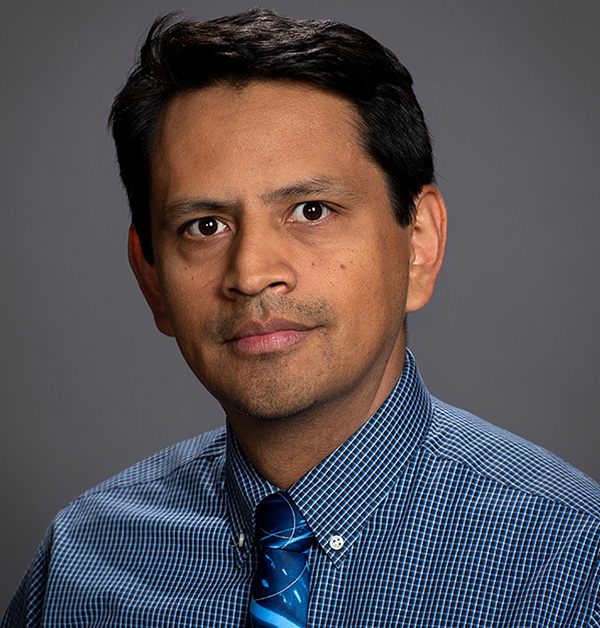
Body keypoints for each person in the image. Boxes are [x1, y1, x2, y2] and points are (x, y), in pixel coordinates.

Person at [3, 8, 600, 627]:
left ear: (418, 242)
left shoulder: (577, 563)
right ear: (150, 276)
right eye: (204, 227)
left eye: (311, 211)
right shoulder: (80, 561)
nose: (252, 272)